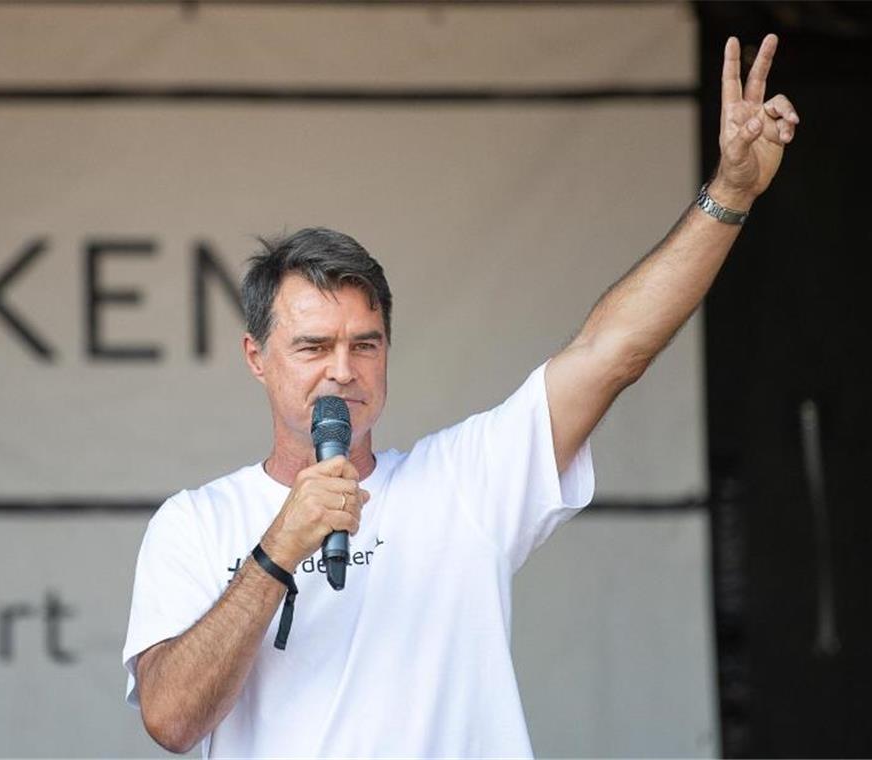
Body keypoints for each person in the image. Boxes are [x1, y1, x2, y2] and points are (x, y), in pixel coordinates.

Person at [122, 34, 799, 758]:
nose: (343, 371)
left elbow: (612, 354)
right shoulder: (195, 523)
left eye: (366, 344)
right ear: (257, 357)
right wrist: (279, 547)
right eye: (313, 347)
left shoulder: (463, 483)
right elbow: (171, 720)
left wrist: (728, 196)